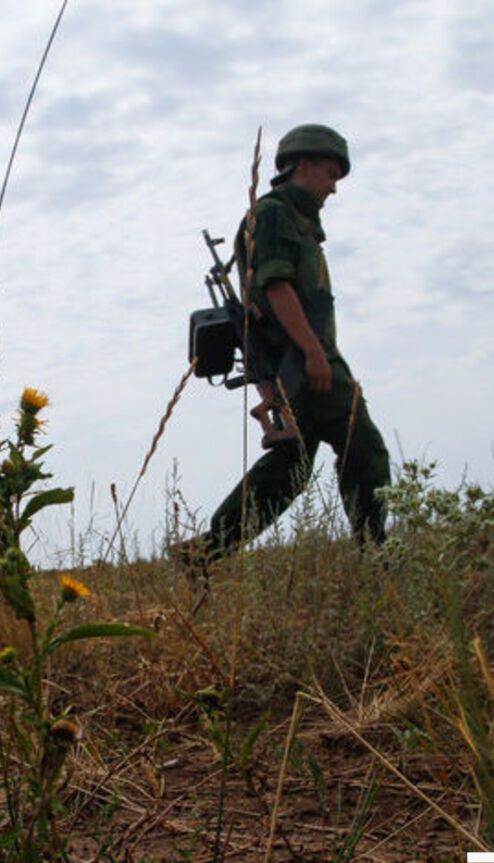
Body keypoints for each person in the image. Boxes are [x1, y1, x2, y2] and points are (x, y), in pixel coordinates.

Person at [174, 125, 390, 570]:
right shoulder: (274, 215)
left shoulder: (299, 224)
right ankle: (377, 558)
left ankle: (205, 553)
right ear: (303, 165)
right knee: (363, 446)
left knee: (289, 469)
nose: (333, 187)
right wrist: (312, 353)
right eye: (330, 175)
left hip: (302, 361)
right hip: (306, 361)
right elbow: (275, 287)